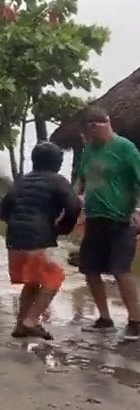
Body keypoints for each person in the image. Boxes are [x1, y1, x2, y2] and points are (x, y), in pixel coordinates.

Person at [0, 142, 81, 340]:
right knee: (55, 276)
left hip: (13, 241)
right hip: (37, 240)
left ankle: (20, 325)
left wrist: (15, 225)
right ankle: (32, 321)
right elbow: (73, 207)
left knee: (32, 282)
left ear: (34, 160)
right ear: (58, 163)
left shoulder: (21, 181)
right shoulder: (58, 181)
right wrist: (62, 229)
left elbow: (4, 208)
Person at [76, 105, 140, 340]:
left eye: (97, 126)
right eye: (89, 128)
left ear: (107, 123)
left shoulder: (125, 148)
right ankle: (105, 318)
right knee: (90, 269)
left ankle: (135, 321)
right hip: (95, 218)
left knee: (120, 270)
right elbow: (80, 181)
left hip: (121, 219)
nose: (93, 132)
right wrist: (76, 206)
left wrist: (137, 210)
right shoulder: (88, 150)